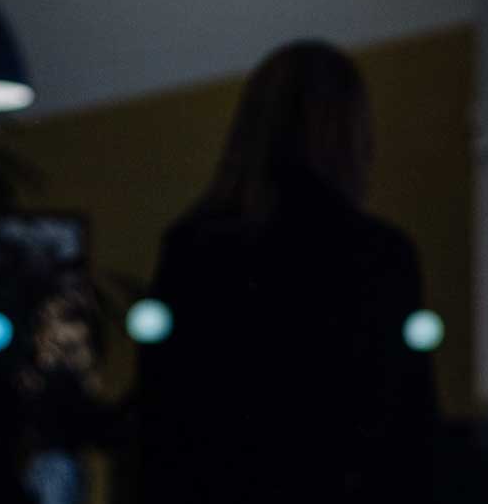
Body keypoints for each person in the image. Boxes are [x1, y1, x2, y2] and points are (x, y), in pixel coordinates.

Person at [136, 40, 436, 503]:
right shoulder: (379, 254)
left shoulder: (195, 246)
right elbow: (406, 424)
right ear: (350, 133)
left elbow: (163, 414)